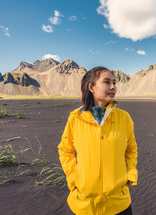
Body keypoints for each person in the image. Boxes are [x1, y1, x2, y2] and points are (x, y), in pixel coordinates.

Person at [58, 66, 138, 215]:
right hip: (83, 204)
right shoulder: (75, 118)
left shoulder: (124, 118)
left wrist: (130, 174)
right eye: (107, 82)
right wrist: (74, 177)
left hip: (118, 204)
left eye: (114, 82)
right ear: (92, 87)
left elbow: (131, 149)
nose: (113, 87)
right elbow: (65, 149)